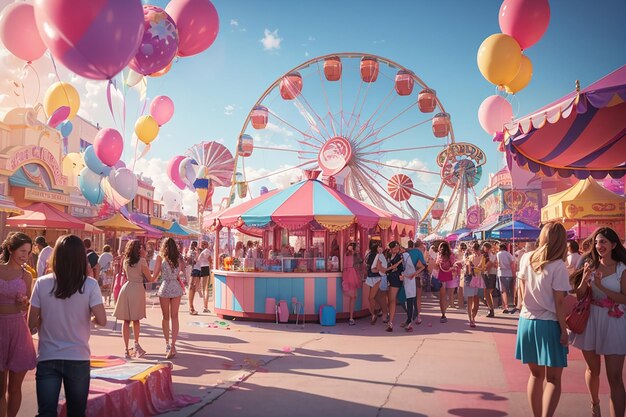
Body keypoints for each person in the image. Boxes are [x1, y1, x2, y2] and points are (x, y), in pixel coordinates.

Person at [28, 235, 106, 417]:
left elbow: (31, 323)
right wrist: (89, 319)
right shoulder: (90, 285)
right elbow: (102, 320)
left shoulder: (42, 283)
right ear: (81, 258)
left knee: (46, 412)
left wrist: (46, 320)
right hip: (78, 357)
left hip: (48, 356)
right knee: (76, 412)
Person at [515, 222, 570, 417]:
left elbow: (521, 289)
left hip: (526, 321)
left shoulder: (527, 258)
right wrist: (564, 331)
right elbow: (560, 302)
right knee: (553, 379)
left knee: (535, 375)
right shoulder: (558, 266)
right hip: (549, 323)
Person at [569, 227, 626, 417]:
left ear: (613, 245)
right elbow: (579, 295)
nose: (599, 245)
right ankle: (595, 404)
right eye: (597, 242)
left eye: (603, 242)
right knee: (593, 369)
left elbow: (624, 298)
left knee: (615, 378)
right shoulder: (589, 265)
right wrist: (584, 280)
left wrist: (601, 286)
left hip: (614, 322)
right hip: (591, 319)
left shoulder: (621, 269)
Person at [0, 232, 36, 417]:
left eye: (28, 252)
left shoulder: (27, 276)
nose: (25, 255)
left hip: (18, 332)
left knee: (14, 388)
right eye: (22, 250)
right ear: (10, 248)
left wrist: (24, 304)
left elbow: (27, 305)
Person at [113, 240, 154, 359]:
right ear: (139, 249)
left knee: (126, 321)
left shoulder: (125, 260)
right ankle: (136, 345)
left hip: (127, 288)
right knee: (136, 320)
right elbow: (150, 279)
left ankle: (126, 349)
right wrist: (156, 272)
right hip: (137, 289)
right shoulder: (142, 261)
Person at [152, 238, 185, 359]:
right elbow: (181, 272)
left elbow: (154, 275)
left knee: (165, 318)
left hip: (165, 287)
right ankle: (173, 345)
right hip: (176, 287)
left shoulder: (160, 258)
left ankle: (167, 344)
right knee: (175, 317)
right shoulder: (179, 258)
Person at [381, 241, 404, 332]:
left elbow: (398, 266)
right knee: (389, 299)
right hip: (389, 278)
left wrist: (388, 269)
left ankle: (390, 321)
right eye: (393, 248)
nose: (394, 250)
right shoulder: (389, 255)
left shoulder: (401, 256)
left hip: (396, 278)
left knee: (392, 299)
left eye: (395, 248)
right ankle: (389, 318)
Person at [406, 240, 427, 325]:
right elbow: (424, 264)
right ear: (420, 246)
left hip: (408, 277)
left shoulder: (408, 252)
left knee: (410, 297)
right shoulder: (419, 252)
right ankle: (418, 316)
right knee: (418, 297)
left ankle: (410, 315)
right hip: (417, 276)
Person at [364, 240, 385, 325]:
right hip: (373, 276)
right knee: (377, 296)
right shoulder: (373, 254)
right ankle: (382, 311)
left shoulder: (371, 254)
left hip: (375, 277)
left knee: (371, 297)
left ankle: (374, 314)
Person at [435, 241, 456, 323]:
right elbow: (454, 265)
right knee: (449, 294)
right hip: (451, 276)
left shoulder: (439, 255)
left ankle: (443, 314)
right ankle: (447, 304)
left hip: (442, 276)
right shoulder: (451, 255)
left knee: (442, 297)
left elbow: (436, 266)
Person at [342, 243, 361, 325]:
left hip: (347, 274)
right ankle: (351, 317)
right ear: (354, 248)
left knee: (352, 297)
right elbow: (360, 263)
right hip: (353, 275)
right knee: (353, 297)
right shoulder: (356, 255)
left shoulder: (346, 254)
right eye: (357, 246)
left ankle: (351, 317)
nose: (358, 247)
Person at [496, 243, 516, 314]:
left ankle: (505, 306)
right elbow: (512, 263)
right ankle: (510, 304)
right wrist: (513, 273)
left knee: (503, 291)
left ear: (501, 248)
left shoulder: (498, 254)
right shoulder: (509, 254)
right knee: (509, 290)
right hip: (509, 273)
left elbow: (497, 263)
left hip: (502, 273)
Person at [481, 242, 497, 318]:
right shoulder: (485, 255)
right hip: (488, 274)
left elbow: (489, 265)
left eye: (485, 248)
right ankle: (490, 308)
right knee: (487, 293)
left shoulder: (492, 255)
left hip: (490, 274)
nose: (484, 249)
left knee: (487, 293)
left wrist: (483, 268)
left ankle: (491, 309)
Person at [197, 241, 212, 313]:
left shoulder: (203, 251)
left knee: (204, 288)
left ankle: (205, 306)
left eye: (204, 244)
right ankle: (205, 306)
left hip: (202, 268)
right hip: (205, 268)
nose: (203, 245)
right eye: (202, 244)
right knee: (205, 289)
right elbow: (210, 260)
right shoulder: (206, 251)